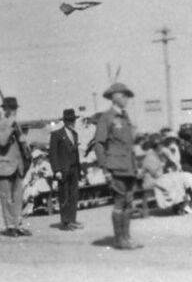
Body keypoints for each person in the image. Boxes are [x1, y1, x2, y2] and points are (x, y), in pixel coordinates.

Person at [93, 82, 142, 250]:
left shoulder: (125, 117)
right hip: (116, 167)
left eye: (127, 96)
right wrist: (105, 169)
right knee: (120, 202)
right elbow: (99, 144)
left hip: (128, 166)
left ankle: (127, 238)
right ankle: (119, 239)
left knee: (129, 202)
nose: (127, 99)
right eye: (124, 95)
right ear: (115, 97)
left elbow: (129, 144)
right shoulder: (106, 118)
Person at [0, 97, 32, 237]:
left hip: (18, 166)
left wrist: (23, 141)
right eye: (11, 109)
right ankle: (10, 226)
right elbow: (2, 141)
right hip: (4, 166)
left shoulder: (18, 126)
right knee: (7, 198)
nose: (14, 111)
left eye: (15, 109)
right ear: (5, 110)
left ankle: (18, 225)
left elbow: (23, 147)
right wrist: (10, 126)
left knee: (18, 198)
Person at [49, 108, 83, 231]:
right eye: (70, 120)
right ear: (65, 121)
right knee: (64, 196)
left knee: (74, 195)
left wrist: (79, 169)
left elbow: (76, 153)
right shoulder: (56, 134)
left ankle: (72, 220)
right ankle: (65, 222)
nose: (72, 122)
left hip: (74, 169)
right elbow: (52, 154)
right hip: (63, 170)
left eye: (73, 120)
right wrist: (56, 170)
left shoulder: (75, 134)